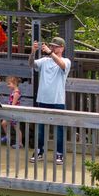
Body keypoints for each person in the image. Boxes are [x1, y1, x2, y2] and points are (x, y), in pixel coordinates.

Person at [28, 37, 70, 165]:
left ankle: (59, 154)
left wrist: (51, 53)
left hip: (58, 100)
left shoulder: (66, 61)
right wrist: (33, 52)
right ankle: (39, 151)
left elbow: (62, 65)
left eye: (56, 46)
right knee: (40, 128)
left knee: (59, 129)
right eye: (51, 46)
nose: (53, 48)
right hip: (42, 99)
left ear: (62, 48)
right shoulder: (44, 61)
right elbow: (31, 64)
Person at [0, 76, 23, 149]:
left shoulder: (16, 93)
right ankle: (8, 136)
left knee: (16, 128)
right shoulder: (13, 92)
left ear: (14, 83)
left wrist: (8, 107)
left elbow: (13, 104)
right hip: (11, 112)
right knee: (4, 123)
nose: (8, 86)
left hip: (14, 112)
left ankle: (20, 143)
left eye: (9, 84)